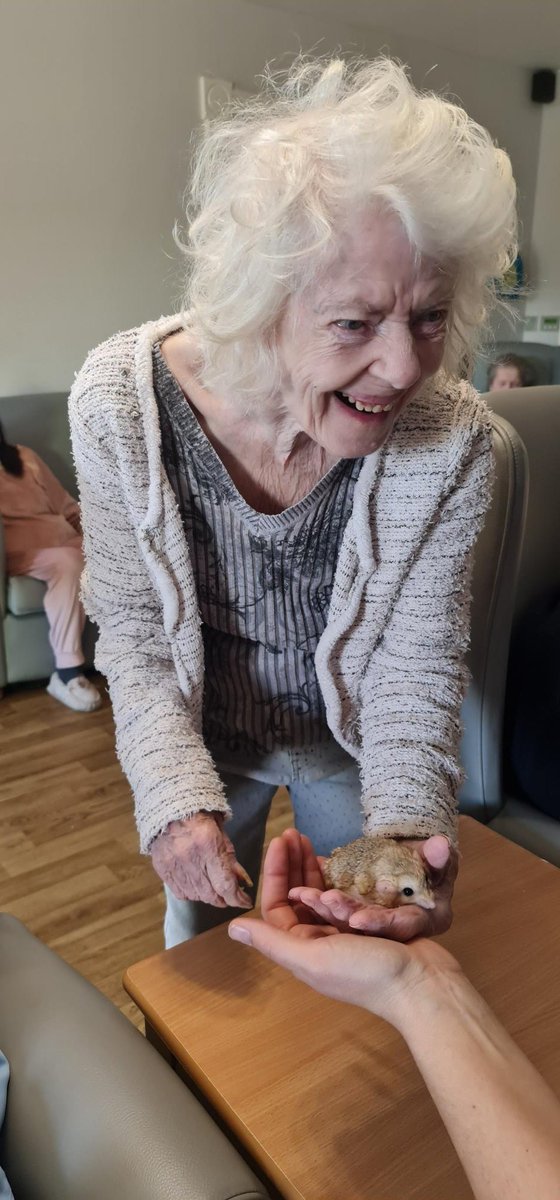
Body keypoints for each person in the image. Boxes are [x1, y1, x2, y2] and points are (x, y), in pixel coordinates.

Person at [69, 56, 517, 947]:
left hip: (350, 744)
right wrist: (170, 802)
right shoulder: (119, 402)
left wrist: (403, 835)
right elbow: (135, 633)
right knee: (203, 950)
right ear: (256, 303)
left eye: (430, 317)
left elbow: (416, 661)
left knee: (368, 936)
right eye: (354, 323)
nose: (403, 368)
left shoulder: (453, 440)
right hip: (202, 730)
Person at [229, 829, 560, 1200]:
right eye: (407, 894)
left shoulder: (394, 879)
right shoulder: (370, 881)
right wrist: (423, 986)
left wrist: (416, 983)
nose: (424, 903)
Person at [0, 424, 101, 712]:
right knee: (68, 562)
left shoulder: (23, 456)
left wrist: (98, 531)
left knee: (123, 553)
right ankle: (67, 673)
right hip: (21, 552)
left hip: (67, 542)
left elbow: (66, 506)